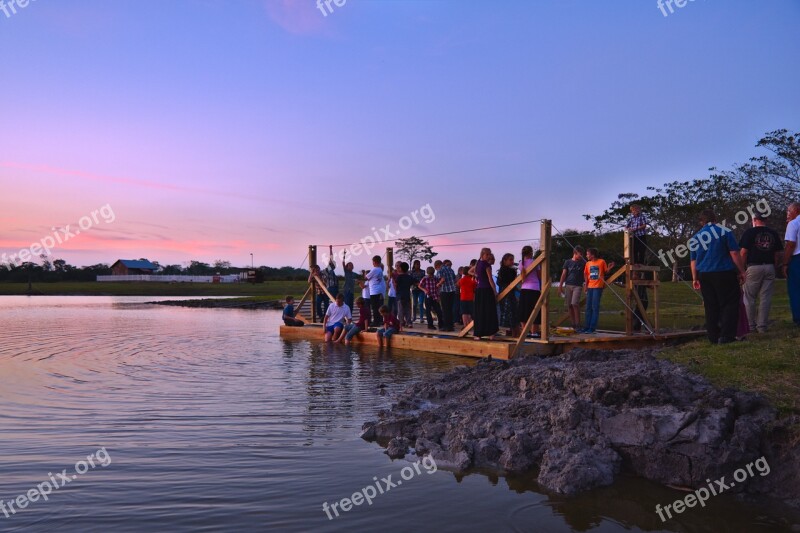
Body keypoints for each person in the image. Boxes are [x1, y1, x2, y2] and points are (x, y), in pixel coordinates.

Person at [690, 209, 747, 344]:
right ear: (715, 219)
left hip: (704, 274)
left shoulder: (695, 237)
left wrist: (695, 278)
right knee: (729, 304)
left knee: (710, 306)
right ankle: (727, 336)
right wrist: (742, 271)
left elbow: (693, 261)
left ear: (701, 222)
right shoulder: (725, 232)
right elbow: (734, 253)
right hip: (724, 272)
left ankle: (713, 336)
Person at [739, 213, 783, 332]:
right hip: (769, 267)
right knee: (765, 298)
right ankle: (762, 326)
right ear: (766, 219)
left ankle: (750, 325)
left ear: (754, 219)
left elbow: (743, 252)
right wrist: (774, 265)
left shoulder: (749, 233)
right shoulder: (773, 233)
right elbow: (777, 253)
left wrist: (741, 270)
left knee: (749, 297)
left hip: (753, 266)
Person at [581, 248, 613, 334]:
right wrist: (585, 285)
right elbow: (585, 274)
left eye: (588, 254)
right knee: (588, 308)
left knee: (595, 307)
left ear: (593, 255)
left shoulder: (601, 261)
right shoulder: (588, 263)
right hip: (590, 286)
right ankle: (586, 327)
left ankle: (592, 327)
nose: (586, 255)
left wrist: (609, 268)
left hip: (598, 287)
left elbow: (606, 271)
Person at [470, 247, 499, 340]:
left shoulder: (478, 263)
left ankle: (478, 334)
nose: (489, 256)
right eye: (487, 254)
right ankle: (491, 334)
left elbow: (469, 271)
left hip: (479, 290)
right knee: (489, 311)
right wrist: (495, 291)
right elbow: (490, 279)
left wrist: (477, 275)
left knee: (480, 311)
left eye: (489, 254)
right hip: (486, 290)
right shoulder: (486, 264)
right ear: (483, 254)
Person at [558, 245, 586, 330]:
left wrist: (586, 284)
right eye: (579, 254)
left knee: (575, 303)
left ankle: (578, 324)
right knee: (569, 305)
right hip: (568, 285)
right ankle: (573, 324)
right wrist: (560, 286)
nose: (581, 256)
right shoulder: (567, 262)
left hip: (578, 285)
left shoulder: (583, 262)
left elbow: (586, 274)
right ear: (575, 253)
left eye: (582, 254)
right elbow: (564, 274)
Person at [519, 246, 543, 338]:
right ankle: (534, 332)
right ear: (531, 253)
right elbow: (540, 275)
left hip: (524, 289)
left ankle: (526, 331)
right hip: (534, 288)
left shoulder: (521, 263)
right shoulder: (534, 262)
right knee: (535, 310)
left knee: (524, 311)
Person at [783, 202, 800, 325]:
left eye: (789, 211)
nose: (787, 214)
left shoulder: (793, 224)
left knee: (795, 289)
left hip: (797, 258)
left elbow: (791, 244)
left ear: (796, 211)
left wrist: (785, 262)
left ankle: (798, 317)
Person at [497, 253, 520, 337]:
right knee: (509, 314)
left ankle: (514, 334)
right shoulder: (503, 270)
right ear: (505, 261)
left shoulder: (512, 270)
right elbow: (501, 282)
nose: (512, 262)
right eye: (510, 260)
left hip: (511, 293)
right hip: (505, 293)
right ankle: (511, 334)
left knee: (514, 314)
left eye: (512, 260)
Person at [435, 259, 457, 332]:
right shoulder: (450, 269)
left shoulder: (440, 270)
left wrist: (438, 284)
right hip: (452, 291)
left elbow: (443, 279)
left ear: (437, 266)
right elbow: (454, 278)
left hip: (445, 291)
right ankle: (451, 326)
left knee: (445, 309)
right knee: (450, 309)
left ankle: (446, 326)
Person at [365, 256, 386, 326]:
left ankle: (376, 322)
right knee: (378, 306)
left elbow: (366, 277)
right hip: (379, 290)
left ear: (374, 262)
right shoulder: (380, 269)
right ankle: (379, 320)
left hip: (374, 290)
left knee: (374, 307)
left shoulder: (374, 269)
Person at [395, 262, 415, 328]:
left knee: (400, 310)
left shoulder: (399, 277)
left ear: (401, 268)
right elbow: (415, 282)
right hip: (407, 295)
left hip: (400, 296)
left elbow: (396, 285)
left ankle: (401, 322)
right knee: (408, 310)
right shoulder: (409, 277)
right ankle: (409, 322)